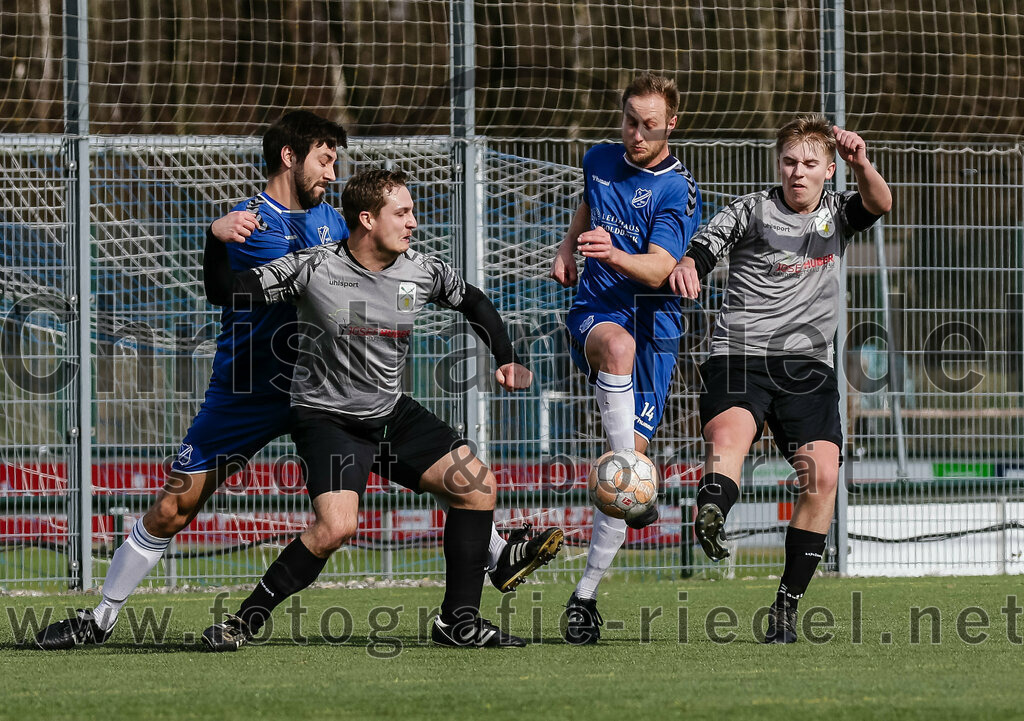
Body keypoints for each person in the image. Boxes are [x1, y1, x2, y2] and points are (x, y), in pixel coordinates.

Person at [35, 110, 350, 650]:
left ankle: (490, 552)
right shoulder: (250, 223)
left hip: (319, 388)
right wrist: (214, 237)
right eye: (324, 158)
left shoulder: (335, 220)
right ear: (288, 157)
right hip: (248, 392)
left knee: (413, 455)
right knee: (173, 507)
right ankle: (100, 619)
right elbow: (298, 285)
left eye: (336, 162)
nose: (333, 172)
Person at [200, 168, 546, 650]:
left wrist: (508, 358)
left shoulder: (421, 270)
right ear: (367, 218)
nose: (413, 223)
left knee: (477, 487)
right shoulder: (314, 266)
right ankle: (242, 621)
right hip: (327, 418)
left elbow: (474, 301)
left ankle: (459, 623)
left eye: (412, 212)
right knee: (335, 528)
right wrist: (216, 241)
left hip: (389, 413)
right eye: (402, 212)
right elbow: (225, 292)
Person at [668, 114, 892, 644]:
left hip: (807, 366)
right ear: (779, 164)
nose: (797, 172)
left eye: (810, 164)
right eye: (789, 161)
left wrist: (863, 162)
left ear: (828, 170)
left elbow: (880, 204)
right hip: (740, 356)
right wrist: (690, 266)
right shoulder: (750, 209)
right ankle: (713, 514)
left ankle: (786, 608)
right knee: (730, 438)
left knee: (824, 477)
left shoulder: (838, 211)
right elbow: (706, 244)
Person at [549, 72, 702, 645]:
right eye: (629, 121)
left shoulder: (677, 190)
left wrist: (611, 252)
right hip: (600, 312)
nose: (636, 135)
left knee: (624, 479)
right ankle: (630, 476)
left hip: (657, 329)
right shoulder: (598, 157)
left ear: (671, 124)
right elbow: (588, 201)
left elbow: (661, 268)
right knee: (616, 346)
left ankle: (584, 596)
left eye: (649, 125)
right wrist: (569, 248)